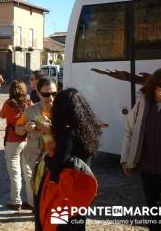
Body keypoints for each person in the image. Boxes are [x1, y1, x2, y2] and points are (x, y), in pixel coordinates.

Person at [121, 67, 161, 231]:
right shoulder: (143, 103)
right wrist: (126, 158)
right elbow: (129, 130)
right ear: (154, 85)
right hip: (149, 167)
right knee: (155, 212)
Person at [38, 88, 102, 230]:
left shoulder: (69, 133)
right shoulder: (89, 128)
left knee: (61, 226)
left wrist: (47, 156)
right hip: (81, 189)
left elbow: (56, 164)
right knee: (78, 223)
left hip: (64, 193)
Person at [15, 77, 57, 208]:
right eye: (46, 94)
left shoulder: (62, 110)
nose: (50, 98)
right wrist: (25, 128)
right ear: (38, 93)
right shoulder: (30, 111)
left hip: (56, 158)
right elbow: (18, 130)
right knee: (37, 190)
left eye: (54, 94)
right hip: (35, 159)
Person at [0, 80, 33, 211]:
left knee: (15, 173)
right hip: (27, 140)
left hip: (13, 140)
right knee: (28, 172)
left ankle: (16, 201)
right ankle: (31, 201)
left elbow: (2, 115)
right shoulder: (29, 104)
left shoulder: (8, 104)